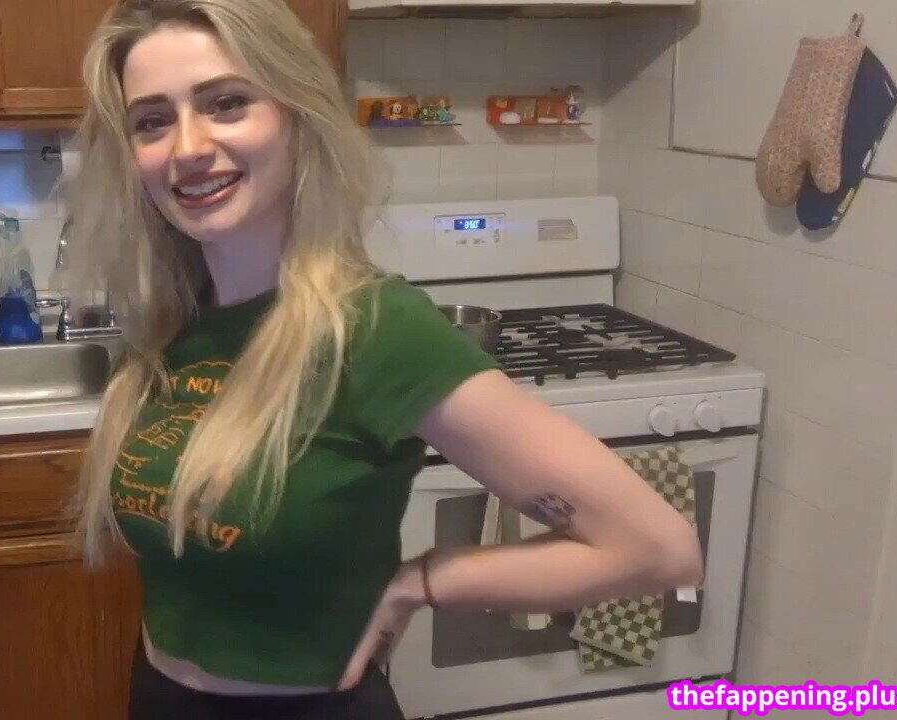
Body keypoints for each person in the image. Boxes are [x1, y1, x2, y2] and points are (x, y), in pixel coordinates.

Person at [64, 2, 703, 718]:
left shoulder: (374, 329)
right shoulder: (173, 320)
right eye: (152, 121)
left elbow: (657, 548)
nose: (186, 146)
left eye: (226, 103)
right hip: (158, 694)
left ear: (297, 115)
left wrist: (424, 581)